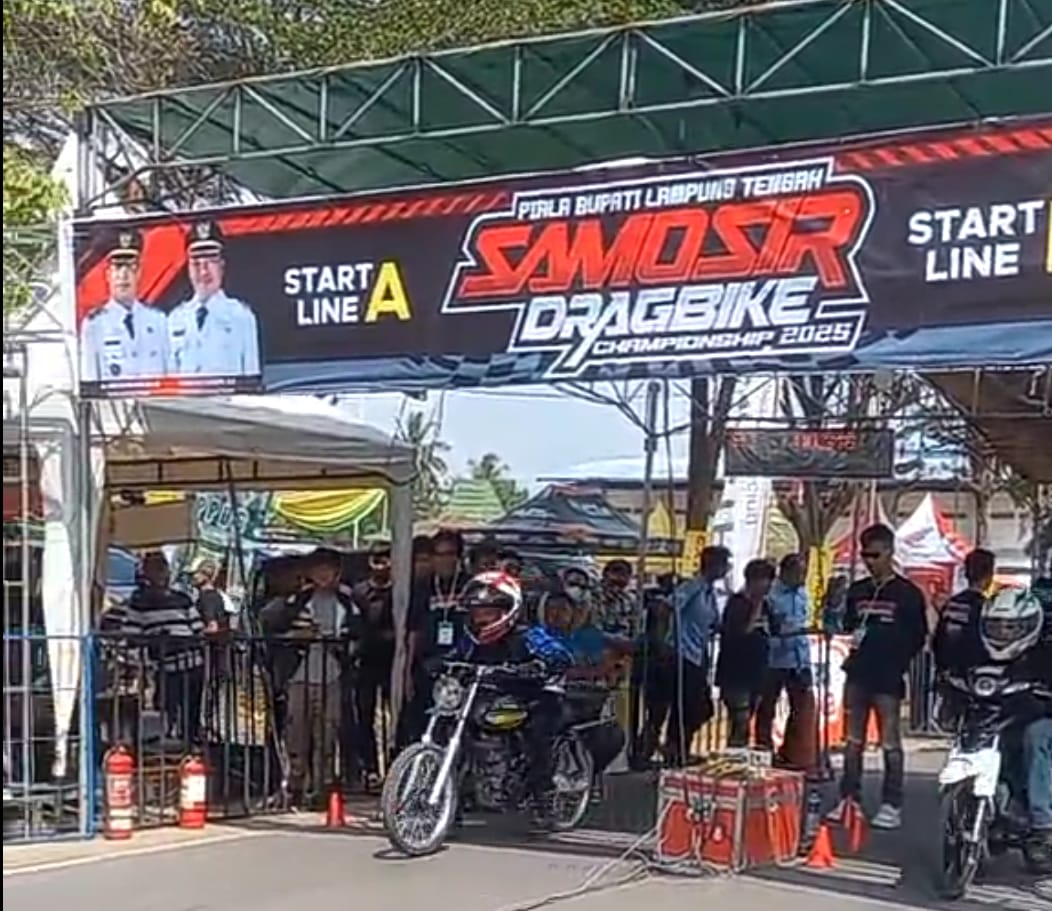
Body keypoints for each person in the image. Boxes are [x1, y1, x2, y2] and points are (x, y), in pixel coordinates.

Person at [934, 552, 1052, 870]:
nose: (1004, 633)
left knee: (1035, 737)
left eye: (1012, 627)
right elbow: (957, 663)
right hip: (1001, 714)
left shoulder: (1043, 649)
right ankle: (993, 811)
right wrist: (951, 681)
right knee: (993, 736)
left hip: (1041, 713)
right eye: (998, 626)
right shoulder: (980, 646)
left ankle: (1043, 826)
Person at [451, 571, 574, 830]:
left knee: (538, 735)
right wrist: (437, 664)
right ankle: (457, 798)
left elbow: (560, 655)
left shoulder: (528, 635)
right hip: (489, 696)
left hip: (533, 696)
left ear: (507, 611)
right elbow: (456, 656)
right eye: (477, 612)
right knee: (454, 725)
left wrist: (540, 665)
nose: (481, 619)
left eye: (489, 612)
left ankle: (544, 798)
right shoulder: (470, 638)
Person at [828, 524, 928, 830]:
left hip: (888, 677)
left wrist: (897, 658)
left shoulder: (907, 594)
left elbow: (918, 635)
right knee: (852, 741)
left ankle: (891, 802)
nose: (870, 561)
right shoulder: (858, 591)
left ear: (889, 552)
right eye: (865, 555)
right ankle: (849, 797)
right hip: (858, 673)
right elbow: (847, 625)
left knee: (889, 742)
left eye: (875, 555)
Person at [259, 548, 360, 807]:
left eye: (328, 569)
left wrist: (342, 647)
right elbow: (274, 630)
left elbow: (359, 635)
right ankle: (295, 784)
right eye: (318, 569)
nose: (323, 574)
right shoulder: (296, 601)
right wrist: (296, 637)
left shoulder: (346, 602)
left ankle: (323, 785)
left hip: (332, 674)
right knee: (297, 732)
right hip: (300, 674)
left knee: (327, 731)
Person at [122, 551, 205, 745]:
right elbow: (131, 635)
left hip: (192, 662)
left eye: (163, 568)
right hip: (166, 665)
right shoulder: (139, 602)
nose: (162, 574)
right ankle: (172, 742)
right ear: (147, 573)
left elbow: (197, 628)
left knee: (192, 708)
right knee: (168, 707)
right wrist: (155, 641)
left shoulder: (182, 598)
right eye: (156, 569)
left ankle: (191, 743)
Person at [167, 220, 260, 379]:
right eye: (196, 263)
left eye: (210, 262)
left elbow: (251, 378)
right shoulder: (175, 319)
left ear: (222, 266)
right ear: (188, 269)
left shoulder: (241, 316)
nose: (203, 272)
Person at [80, 227, 168, 384]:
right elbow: (91, 380)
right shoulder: (95, 324)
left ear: (139, 273)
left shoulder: (158, 321)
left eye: (130, 267)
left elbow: (170, 377)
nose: (123, 275)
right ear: (108, 275)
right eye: (118, 267)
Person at [667, 546, 727, 767]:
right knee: (686, 706)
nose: (726, 569)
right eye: (724, 564)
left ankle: (682, 747)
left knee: (700, 707)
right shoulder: (692, 587)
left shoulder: (711, 593)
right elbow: (669, 606)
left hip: (699, 654)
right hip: (682, 653)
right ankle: (675, 750)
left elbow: (714, 622)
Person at [757, 553, 813, 761]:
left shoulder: (803, 593)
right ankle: (764, 750)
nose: (802, 577)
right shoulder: (770, 594)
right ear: (786, 572)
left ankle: (791, 752)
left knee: (800, 707)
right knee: (767, 707)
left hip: (800, 658)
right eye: (799, 573)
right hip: (775, 659)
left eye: (804, 572)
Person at [716, 558, 775, 749]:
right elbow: (742, 631)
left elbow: (774, 630)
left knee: (749, 716)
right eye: (765, 580)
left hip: (757, 669)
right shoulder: (736, 603)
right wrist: (756, 607)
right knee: (739, 719)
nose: (769, 585)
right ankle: (734, 753)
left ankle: (741, 752)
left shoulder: (767, 605)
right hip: (736, 671)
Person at [352, 541, 395, 789]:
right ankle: (369, 768)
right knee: (364, 715)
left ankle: (393, 764)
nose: (381, 564)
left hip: (392, 660)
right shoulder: (358, 592)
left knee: (394, 715)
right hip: (365, 660)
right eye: (376, 559)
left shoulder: (400, 590)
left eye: (386, 558)